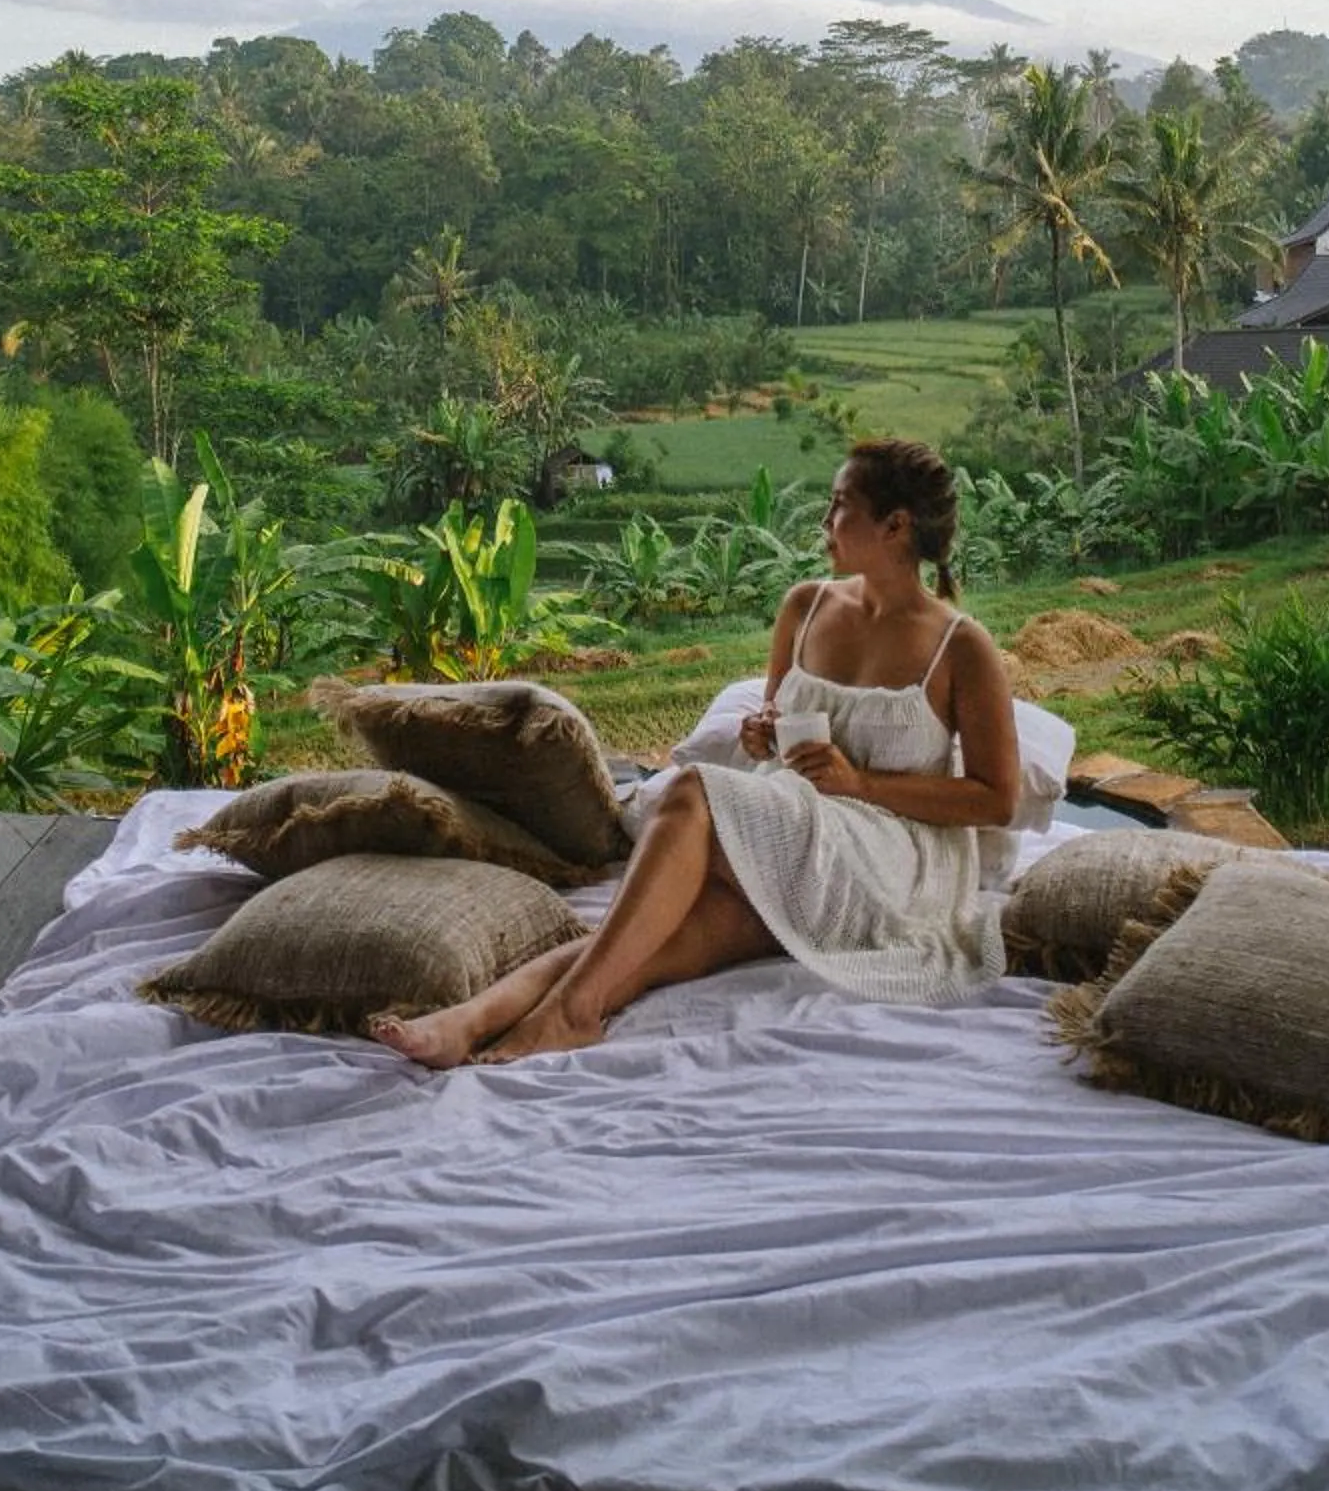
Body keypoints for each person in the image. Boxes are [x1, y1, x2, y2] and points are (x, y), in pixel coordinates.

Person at [371, 438, 1017, 1067]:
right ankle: (476, 1019)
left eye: (839, 504)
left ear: (896, 526)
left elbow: (996, 798)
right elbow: (773, 722)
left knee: (691, 792)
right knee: (643, 938)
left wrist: (860, 784)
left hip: (890, 862)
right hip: (799, 833)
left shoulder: (962, 648)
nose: (824, 521)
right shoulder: (805, 607)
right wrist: (763, 735)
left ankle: (569, 1014)